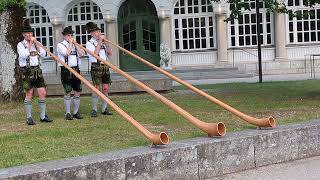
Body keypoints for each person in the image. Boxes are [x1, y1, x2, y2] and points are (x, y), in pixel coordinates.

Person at [17, 19, 52, 125]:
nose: (29, 35)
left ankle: (42, 116)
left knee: (42, 92)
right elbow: (24, 55)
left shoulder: (36, 43)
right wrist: (30, 43)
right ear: (23, 34)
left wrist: (36, 43)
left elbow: (44, 54)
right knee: (29, 93)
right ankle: (29, 117)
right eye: (27, 33)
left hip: (37, 70)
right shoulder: (20, 44)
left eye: (31, 33)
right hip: (27, 71)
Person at [57, 27, 85, 120]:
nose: (70, 37)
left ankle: (76, 112)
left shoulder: (75, 44)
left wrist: (76, 45)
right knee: (68, 91)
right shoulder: (60, 45)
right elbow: (66, 53)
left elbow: (82, 54)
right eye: (68, 35)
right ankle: (68, 112)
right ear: (64, 36)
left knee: (77, 90)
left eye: (71, 35)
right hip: (66, 70)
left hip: (76, 69)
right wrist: (70, 43)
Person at [85, 22, 113, 117]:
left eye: (99, 31)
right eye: (96, 32)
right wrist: (100, 42)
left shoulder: (103, 42)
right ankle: (94, 109)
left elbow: (109, 53)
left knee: (105, 88)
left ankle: (104, 109)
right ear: (91, 33)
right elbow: (95, 54)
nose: (98, 33)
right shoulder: (89, 43)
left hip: (104, 65)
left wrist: (107, 43)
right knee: (96, 88)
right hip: (96, 66)